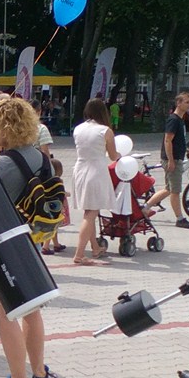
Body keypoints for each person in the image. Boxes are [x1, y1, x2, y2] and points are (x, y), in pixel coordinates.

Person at [0, 98, 60, 378]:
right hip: (33, 239)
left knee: (5, 312)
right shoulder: (40, 157)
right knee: (31, 308)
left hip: (5, 245)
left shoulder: (0, 165)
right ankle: (39, 373)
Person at [71, 97, 120, 264]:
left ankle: (95, 247)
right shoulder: (105, 131)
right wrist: (120, 155)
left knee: (89, 212)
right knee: (91, 213)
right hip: (96, 171)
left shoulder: (78, 129)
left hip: (79, 168)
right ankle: (79, 254)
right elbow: (113, 156)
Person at [143, 91, 189, 228]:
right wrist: (171, 160)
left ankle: (145, 208)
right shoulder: (174, 120)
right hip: (173, 159)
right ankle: (180, 219)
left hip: (176, 157)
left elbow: (178, 140)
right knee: (175, 191)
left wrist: (185, 150)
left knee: (168, 189)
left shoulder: (180, 120)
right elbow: (168, 140)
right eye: (186, 102)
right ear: (178, 103)